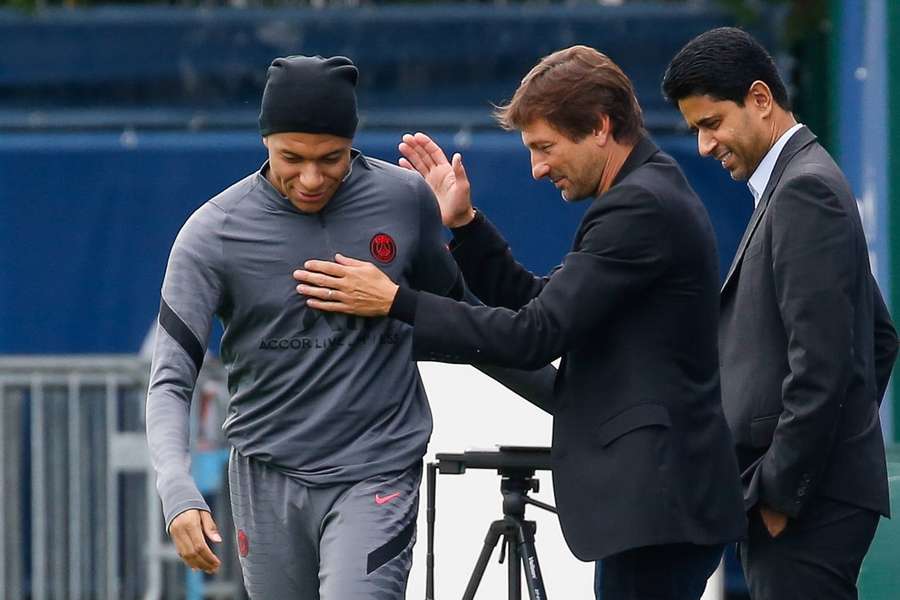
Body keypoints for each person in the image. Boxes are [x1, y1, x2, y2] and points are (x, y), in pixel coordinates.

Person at [294, 45, 746, 600]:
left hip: (659, 508)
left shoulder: (640, 207)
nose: (536, 168)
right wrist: (465, 225)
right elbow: (543, 303)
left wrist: (396, 302)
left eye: (544, 147)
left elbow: (534, 335)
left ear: (600, 127)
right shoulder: (645, 193)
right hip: (660, 507)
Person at [145, 55, 469, 599]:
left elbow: (467, 324)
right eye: (290, 158)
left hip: (378, 469)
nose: (312, 178)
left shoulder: (405, 198)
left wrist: (564, 393)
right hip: (267, 478)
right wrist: (177, 490)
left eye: (332, 158)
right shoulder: (212, 232)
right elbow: (171, 380)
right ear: (264, 142)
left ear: (353, 143)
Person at [662, 27, 898, 600]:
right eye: (696, 130)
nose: (703, 146)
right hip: (809, 499)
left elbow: (822, 364)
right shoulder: (802, 181)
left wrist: (782, 489)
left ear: (761, 100)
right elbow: (879, 338)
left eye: (712, 124)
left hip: (800, 507)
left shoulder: (803, 191)